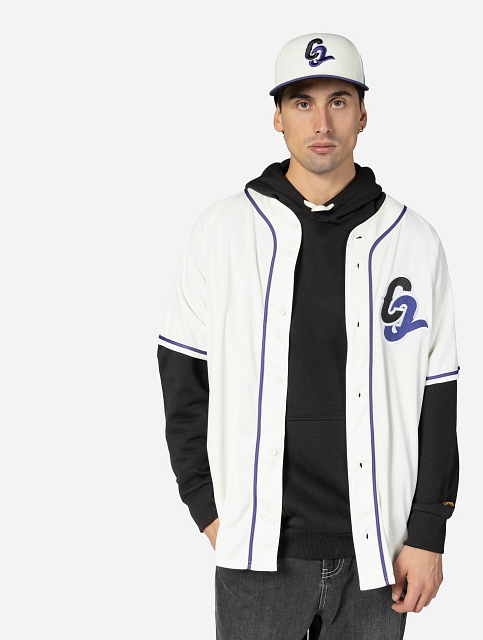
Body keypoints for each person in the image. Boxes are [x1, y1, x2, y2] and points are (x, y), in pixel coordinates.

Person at [157, 32, 460, 640]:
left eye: (338, 101)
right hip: (256, 552)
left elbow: (438, 397)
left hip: (380, 554)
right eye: (302, 103)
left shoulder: (412, 239)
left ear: (363, 113)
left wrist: (428, 531)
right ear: (277, 116)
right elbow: (182, 384)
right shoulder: (222, 231)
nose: (322, 123)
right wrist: (206, 507)